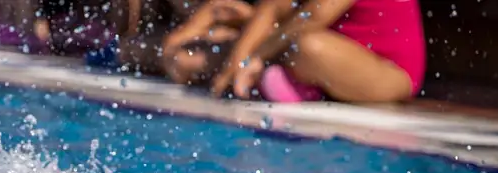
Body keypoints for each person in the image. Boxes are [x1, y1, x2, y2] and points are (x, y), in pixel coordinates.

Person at [163, 0, 425, 103]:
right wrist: (235, 65)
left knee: (306, 45)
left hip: (392, 73)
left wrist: (256, 55)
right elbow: (273, 9)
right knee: (187, 61)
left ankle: (284, 79)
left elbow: (315, 15)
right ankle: (277, 80)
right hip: (315, 50)